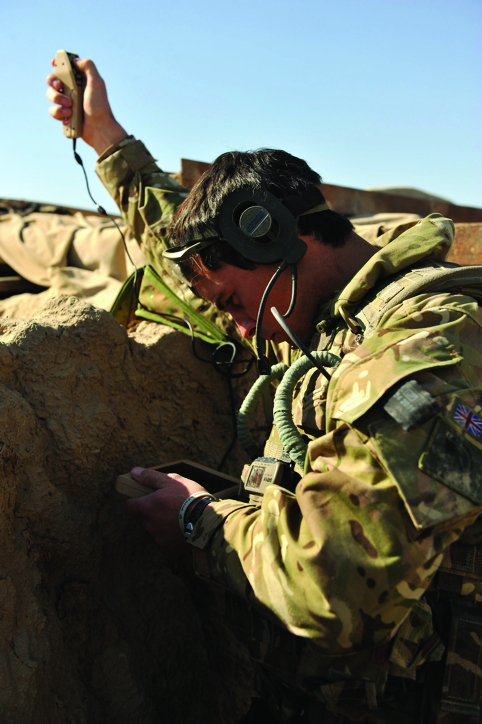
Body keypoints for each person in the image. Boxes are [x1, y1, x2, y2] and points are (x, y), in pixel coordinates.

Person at [47, 58, 482, 723]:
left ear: (280, 237)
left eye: (233, 303)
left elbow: (334, 592)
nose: (242, 329)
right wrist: (105, 137)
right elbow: (181, 235)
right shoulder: (318, 306)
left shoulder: (427, 351)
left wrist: (199, 522)